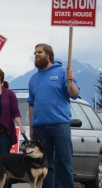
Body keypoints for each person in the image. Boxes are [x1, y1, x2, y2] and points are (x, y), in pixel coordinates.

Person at [27, 43, 80, 188]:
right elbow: (31, 104)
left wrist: (70, 81)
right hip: (39, 128)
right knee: (44, 166)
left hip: (60, 126)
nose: (36, 54)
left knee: (64, 163)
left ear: (49, 55)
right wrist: (31, 127)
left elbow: (74, 94)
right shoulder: (33, 79)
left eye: (39, 52)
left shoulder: (63, 72)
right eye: (35, 52)